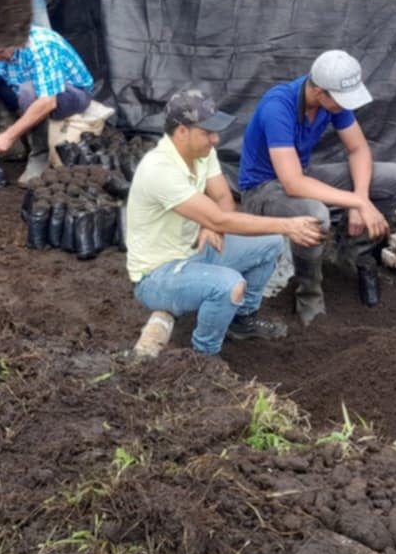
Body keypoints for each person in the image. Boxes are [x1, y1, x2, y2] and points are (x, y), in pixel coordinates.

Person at [128, 90, 326, 358]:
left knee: (269, 243)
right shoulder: (160, 170)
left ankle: (242, 321)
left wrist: (210, 226)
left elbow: (222, 198)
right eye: (207, 132)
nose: (216, 139)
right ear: (182, 131)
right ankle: (203, 357)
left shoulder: (201, 154)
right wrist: (288, 225)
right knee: (228, 285)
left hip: (193, 253)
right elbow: (220, 217)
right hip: (158, 274)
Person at [238, 51, 396, 324]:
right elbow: (292, 183)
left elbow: (358, 150)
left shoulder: (332, 103)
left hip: (301, 174)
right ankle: (308, 293)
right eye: (341, 100)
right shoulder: (278, 107)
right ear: (319, 92)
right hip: (262, 189)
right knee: (315, 214)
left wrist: (360, 197)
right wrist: (357, 203)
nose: (346, 106)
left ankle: (351, 255)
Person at [0, 24, 95, 184]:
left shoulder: (40, 47)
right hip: (20, 86)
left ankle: (40, 155)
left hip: (71, 93)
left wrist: (9, 136)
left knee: (30, 90)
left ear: (15, 41)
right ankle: (13, 148)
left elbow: (47, 101)